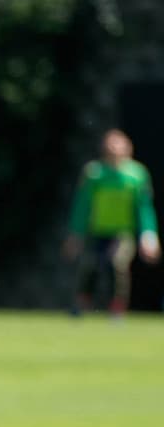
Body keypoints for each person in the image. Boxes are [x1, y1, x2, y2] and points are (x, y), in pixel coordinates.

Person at [62, 128, 160, 317]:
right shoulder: (94, 174)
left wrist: (149, 234)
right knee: (90, 266)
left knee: (118, 264)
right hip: (98, 231)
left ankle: (117, 309)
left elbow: (144, 208)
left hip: (122, 232)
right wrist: (76, 233)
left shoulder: (137, 175)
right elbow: (82, 207)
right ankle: (81, 304)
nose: (115, 150)